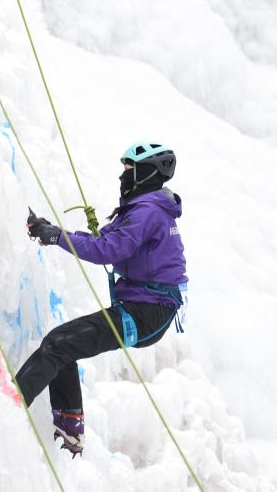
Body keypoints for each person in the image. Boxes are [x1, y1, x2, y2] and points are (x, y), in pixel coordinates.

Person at [16, 141, 188, 457]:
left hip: (148, 312)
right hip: (148, 309)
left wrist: (56, 237)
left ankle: (9, 404)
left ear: (146, 173)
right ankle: (69, 429)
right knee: (63, 344)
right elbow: (103, 240)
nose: (123, 176)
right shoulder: (144, 208)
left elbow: (106, 250)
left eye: (129, 170)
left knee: (58, 345)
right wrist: (52, 231)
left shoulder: (147, 211)